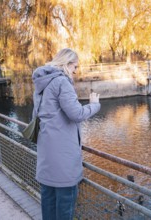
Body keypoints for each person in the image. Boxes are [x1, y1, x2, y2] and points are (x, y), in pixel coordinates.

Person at [31, 48, 101, 220]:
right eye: (75, 66)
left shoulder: (42, 84)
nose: (76, 71)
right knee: (65, 206)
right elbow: (76, 114)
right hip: (63, 158)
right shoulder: (62, 82)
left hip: (47, 155)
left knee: (48, 204)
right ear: (67, 64)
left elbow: (36, 116)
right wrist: (94, 104)